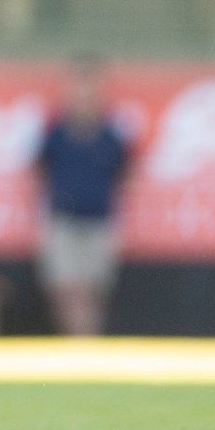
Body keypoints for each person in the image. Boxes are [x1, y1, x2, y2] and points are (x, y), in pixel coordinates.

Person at [34, 58, 134, 336]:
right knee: (65, 288)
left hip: (98, 222)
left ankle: (85, 346)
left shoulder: (113, 135)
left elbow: (123, 173)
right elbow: (40, 169)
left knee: (93, 290)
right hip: (63, 220)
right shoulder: (55, 133)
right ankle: (80, 344)